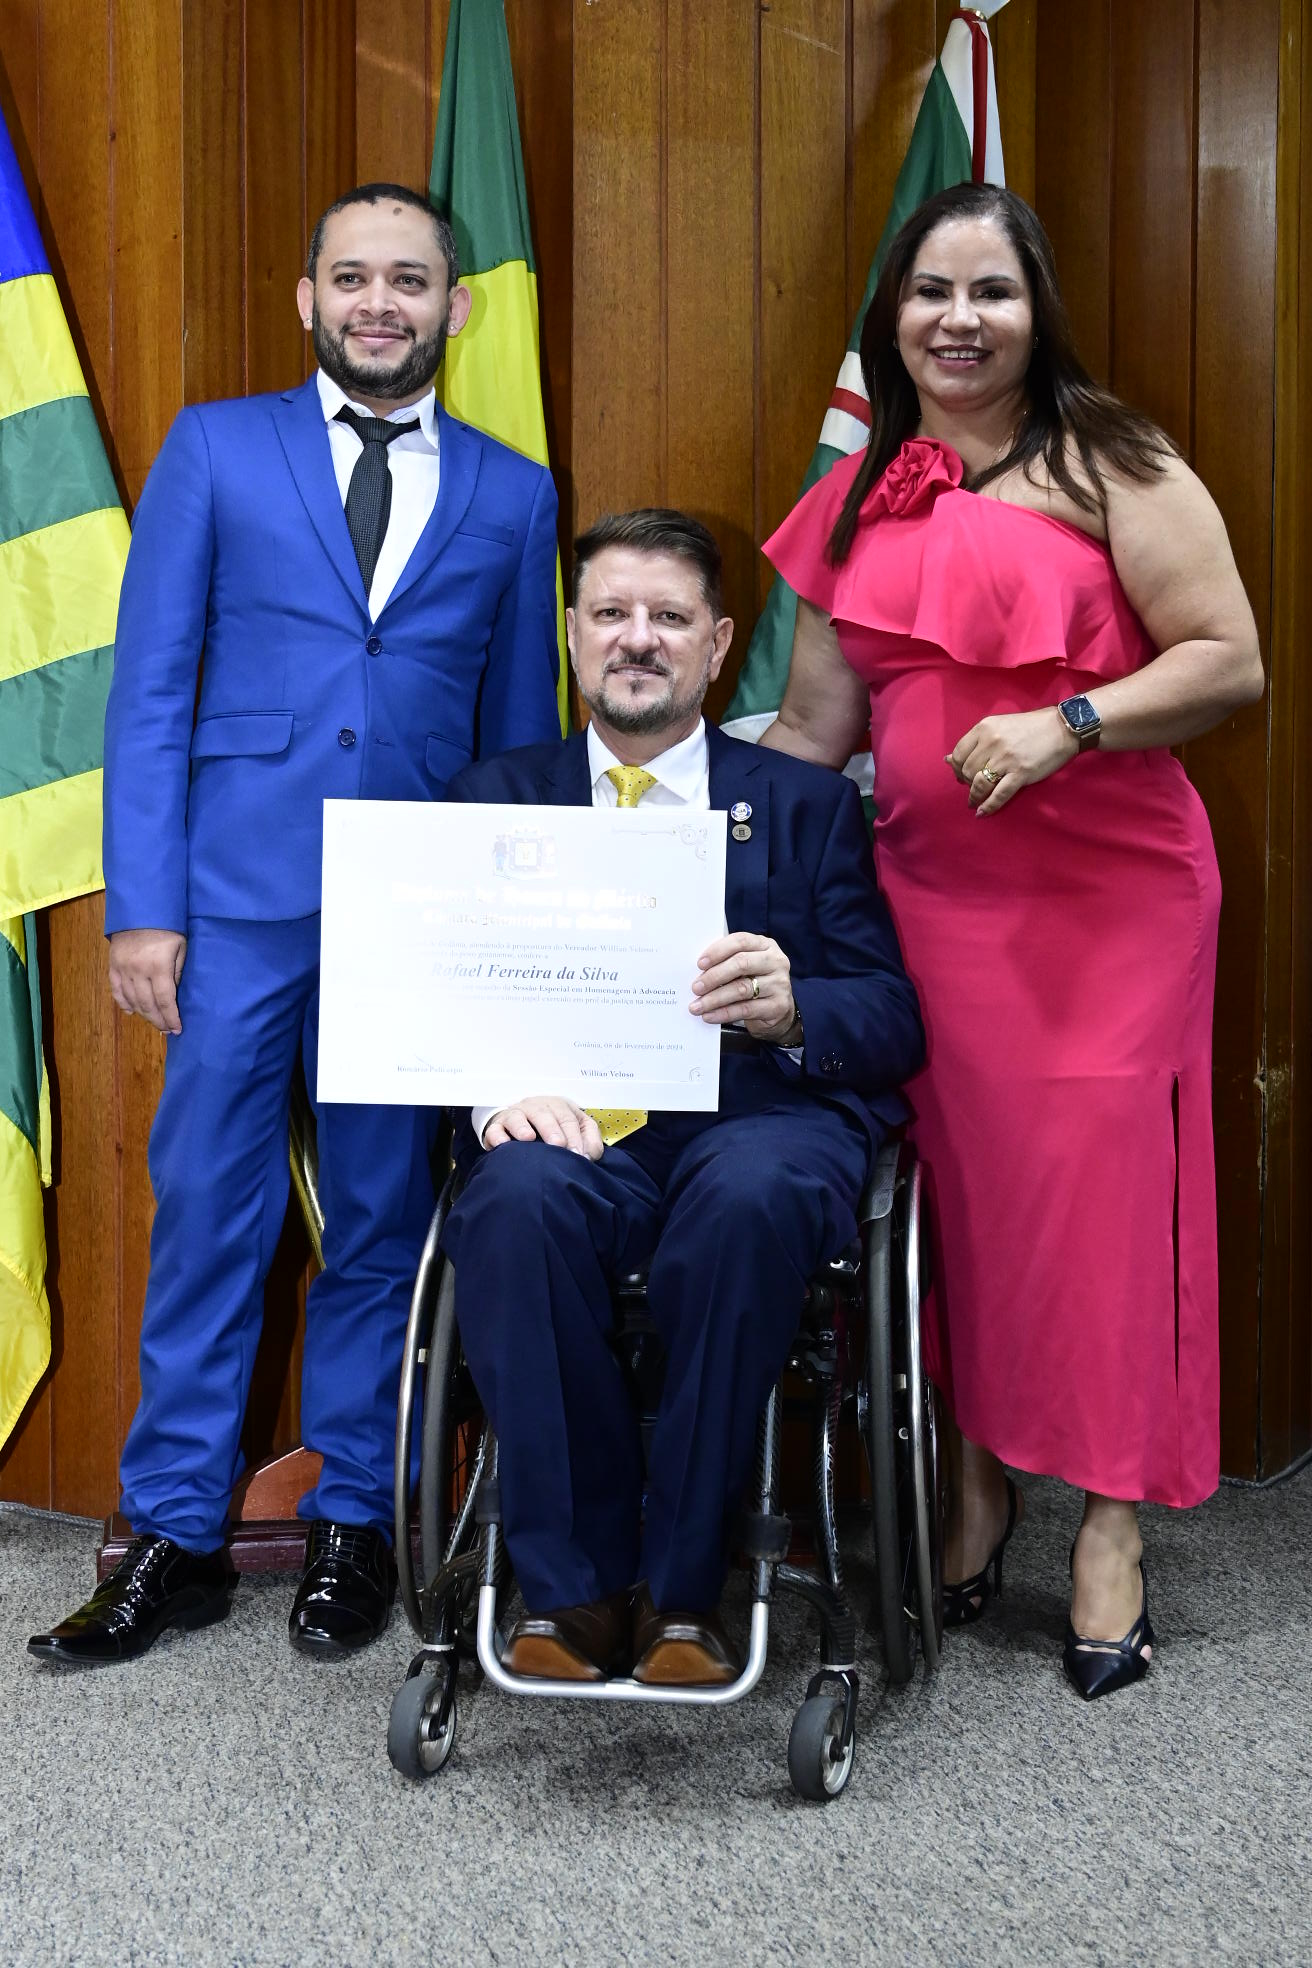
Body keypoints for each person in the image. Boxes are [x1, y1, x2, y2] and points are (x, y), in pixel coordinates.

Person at [28, 183, 561, 1668]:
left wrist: (498, 932)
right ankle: (173, 1531)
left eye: (410, 279)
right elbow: (150, 689)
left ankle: (354, 1522)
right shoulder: (215, 446)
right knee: (212, 1208)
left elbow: (518, 734)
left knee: (384, 1218)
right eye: (352, 277)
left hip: (416, 911)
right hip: (232, 903)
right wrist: (145, 908)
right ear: (309, 298)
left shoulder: (515, 492)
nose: (380, 302)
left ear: (455, 306)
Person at [759, 182, 1263, 1698]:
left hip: (1111, 903)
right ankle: (977, 1488)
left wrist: (1070, 721)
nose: (959, 319)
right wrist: (662, 835)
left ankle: (1112, 1527)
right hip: (927, 906)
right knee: (963, 1201)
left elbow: (1227, 658)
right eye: (931, 291)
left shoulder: (1114, 459)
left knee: (1104, 1200)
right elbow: (810, 734)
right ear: (892, 316)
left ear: (1036, 312)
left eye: (992, 291)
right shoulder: (858, 494)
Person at [438, 508, 923, 1683]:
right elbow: (434, 999)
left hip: (762, 1125)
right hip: (574, 1134)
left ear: (717, 645)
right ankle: (575, 1593)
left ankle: (687, 1587)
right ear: (571, 635)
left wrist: (797, 1007)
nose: (637, 638)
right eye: (611, 613)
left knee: (749, 1199)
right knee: (510, 1201)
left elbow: (892, 1016)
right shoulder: (492, 798)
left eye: (668, 616)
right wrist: (491, 1096)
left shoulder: (803, 805)